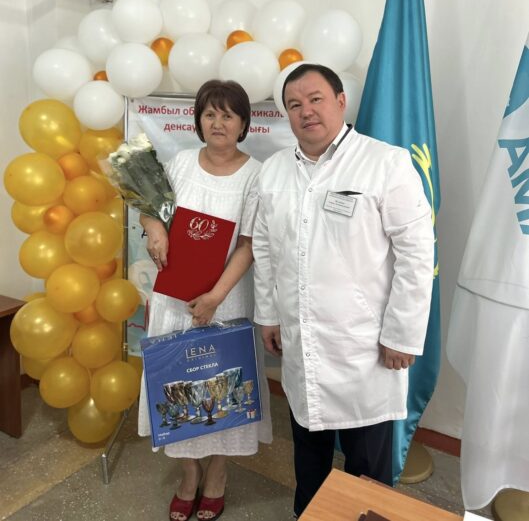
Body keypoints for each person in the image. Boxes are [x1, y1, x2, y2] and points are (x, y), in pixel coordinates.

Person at [252, 64, 434, 518]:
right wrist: (268, 314)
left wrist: (402, 335)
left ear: (340, 101)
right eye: (294, 105)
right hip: (301, 342)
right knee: (308, 458)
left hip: (364, 351)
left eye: (315, 99)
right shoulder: (273, 171)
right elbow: (264, 248)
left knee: (366, 472)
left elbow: (416, 253)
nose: (306, 111)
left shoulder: (385, 163)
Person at [137, 79, 272, 521]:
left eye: (227, 115)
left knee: (220, 385)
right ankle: (189, 472)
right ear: (198, 121)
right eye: (209, 114)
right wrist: (154, 230)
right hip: (175, 297)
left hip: (226, 299)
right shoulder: (180, 163)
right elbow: (151, 208)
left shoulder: (257, 174)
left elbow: (249, 244)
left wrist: (216, 296)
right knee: (178, 382)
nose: (218, 123)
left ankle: (217, 470)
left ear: (243, 124)